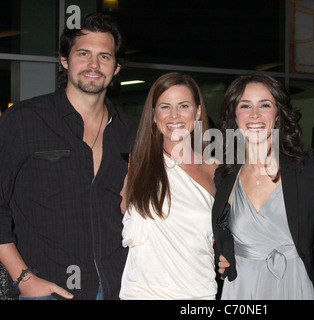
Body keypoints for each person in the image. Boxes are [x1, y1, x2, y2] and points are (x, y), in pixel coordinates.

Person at [0, 13, 136, 300]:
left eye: (104, 56)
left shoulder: (130, 131)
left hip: (118, 287)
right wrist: (24, 278)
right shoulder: (24, 120)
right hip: (46, 288)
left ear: (117, 67)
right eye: (83, 53)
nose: (93, 65)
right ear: (64, 60)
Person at [212, 73, 314, 299]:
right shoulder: (224, 176)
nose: (255, 114)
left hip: (294, 285)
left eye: (265, 105)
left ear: (278, 114)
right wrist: (223, 254)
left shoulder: (306, 170)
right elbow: (220, 234)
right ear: (234, 115)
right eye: (245, 105)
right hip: (242, 288)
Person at [119, 72, 218, 300]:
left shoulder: (215, 170)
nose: (174, 115)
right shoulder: (139, 163)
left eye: (184, 105)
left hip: (199, 294)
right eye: (165, 106)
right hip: (142, 294)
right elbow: (125, 209)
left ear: (198, 111)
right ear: (154, 115)